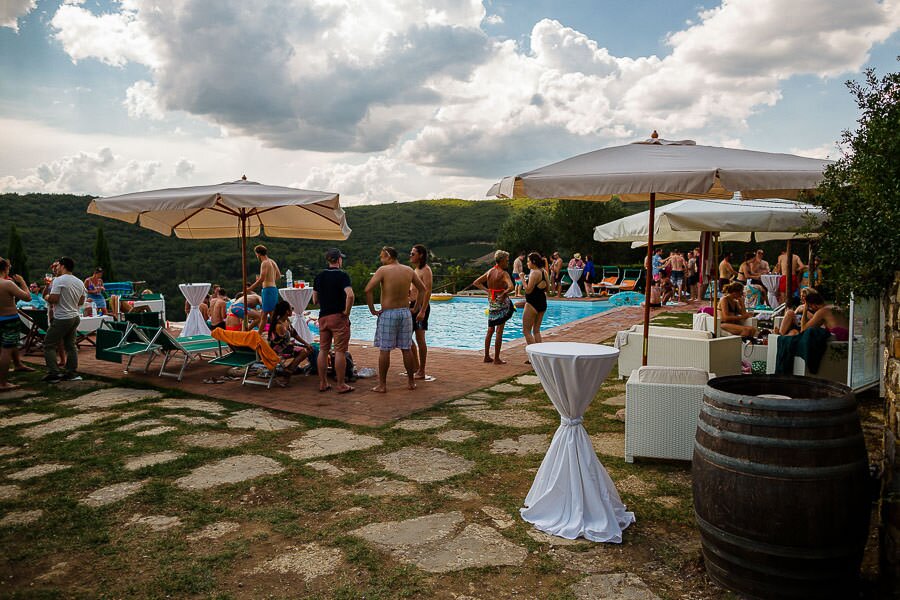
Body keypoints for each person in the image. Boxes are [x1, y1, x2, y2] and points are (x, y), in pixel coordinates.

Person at [365, 246, 425, 393]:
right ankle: (411, 382)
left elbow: (368, 289)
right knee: (406, 348)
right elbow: (422, 289)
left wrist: (372, 309)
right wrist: (416, 308)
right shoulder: (408, 270)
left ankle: (382, 385)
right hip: (405, 313)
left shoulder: (383, 270)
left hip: (389, 313)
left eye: (382, 257)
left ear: (388, 256)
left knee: (385, 349)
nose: (381, 260)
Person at [313, 248, 354, 394]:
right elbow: (350, 295)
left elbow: (314, 299)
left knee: (323, 350)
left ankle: (323, 383)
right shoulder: (343, 276)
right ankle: (341, 384)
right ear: (338, 260)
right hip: (338, 317)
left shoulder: (319, 276)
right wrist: (346, 312)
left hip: (323, 317)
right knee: (340, 351)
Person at [42, 257, 85, 383]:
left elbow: (54, 299)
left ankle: (54, 373)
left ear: (63, 266)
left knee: (48, 344)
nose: (56, 268)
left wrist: (46, 296)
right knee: (71, 346)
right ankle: (71, 373)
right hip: (75, 316)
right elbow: (81, 301)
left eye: (58, 265)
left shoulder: (59, 280)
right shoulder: (79, 281)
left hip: (62, 318)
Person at [472, 250, 515, 364]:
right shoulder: (504, 273)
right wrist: (504, 293)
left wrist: (488, 291)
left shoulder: (490, 271)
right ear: (501, 261)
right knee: (499, 331)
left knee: (490, 329)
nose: (507, 262)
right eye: (506, 260)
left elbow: (476, 282)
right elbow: (511, 287)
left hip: (492, 301)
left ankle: (486, 356)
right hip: (501, 302)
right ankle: (496, 358)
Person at [0, 258, 34, 391]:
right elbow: (27, 297)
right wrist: (22, 282)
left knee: (9, 344)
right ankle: (2, 383)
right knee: (6, 350)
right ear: (5, 269)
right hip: (9, 319)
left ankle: (18, 364)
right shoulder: (7, 284)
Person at [267, 300, 315, 377]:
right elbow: (280, 343)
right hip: (278, 350)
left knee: (309, 348)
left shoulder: (286, 320)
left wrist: (306, 344)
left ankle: (288, 369)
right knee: (305, 351)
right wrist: (302, 346)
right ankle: (289, 370)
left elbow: (294, 334)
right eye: (291, 308)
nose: (292, 310)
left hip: (284, 347)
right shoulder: (279, 325)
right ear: (287, 311)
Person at [408, 244, 432, 380]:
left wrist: (422, 310)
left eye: (413, 254)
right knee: (406, 337)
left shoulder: (425, 270)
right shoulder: (415, 270)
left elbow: (428, 291)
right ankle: (416, 367)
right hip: (412, 306)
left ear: (420, 255)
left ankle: (421, 370)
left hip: (421, 307)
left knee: (420, 339)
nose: (410, 256)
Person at [248, 244, 281, 333]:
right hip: (273, 289)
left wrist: (250, 289)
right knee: (271, 313)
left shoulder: (264, 263)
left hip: (268, 290)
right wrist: (270, 279)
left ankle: (259, 336)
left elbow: (262, 279)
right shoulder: (272, 261)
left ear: (258, 254)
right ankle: (275, 332)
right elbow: (278, 275)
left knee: (264, 314)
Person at [522, 252, 548, 351]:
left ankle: (534, 356)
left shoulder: (534, 272)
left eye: (528, 261)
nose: (527, 264)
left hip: (532, 303)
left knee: (526, 331)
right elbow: (547, 289)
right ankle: (540, 355)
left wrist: (522, 279)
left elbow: (528, 290)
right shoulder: (544, 272)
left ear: (533, 261)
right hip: (542, 302)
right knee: (536, 331)